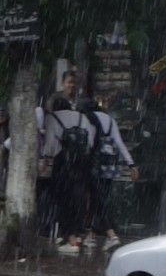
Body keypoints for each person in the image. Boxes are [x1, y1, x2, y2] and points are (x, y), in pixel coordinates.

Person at [77, 98, 138, 251]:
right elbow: (119, 143)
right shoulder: (109, 119)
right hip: (109, 168)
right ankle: (91, 235)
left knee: (95, 201)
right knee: (99, 199)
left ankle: (111, 236)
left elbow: (89, 143)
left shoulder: (87, 118)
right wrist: (131, 164)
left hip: (93, 167)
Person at [40, 94, 92, 254]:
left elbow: (49, 145)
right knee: (78, 198)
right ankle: (77, 236)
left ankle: (70, 238)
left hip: (63, 162)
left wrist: (45, 160)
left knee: (63, 199)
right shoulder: (82, 117)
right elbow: (90, 142)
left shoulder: (52, 118)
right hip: (82, 162)